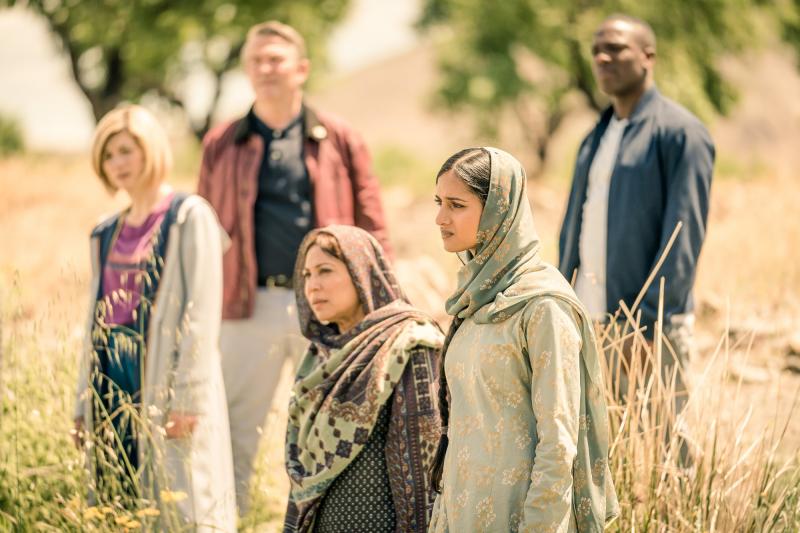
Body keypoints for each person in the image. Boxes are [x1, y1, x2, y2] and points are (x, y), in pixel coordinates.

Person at [197, 20, 393, 511]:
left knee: (332, 427)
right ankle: (232, 520)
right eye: (256, 60)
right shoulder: (220, 143)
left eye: (275, 59)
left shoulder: (340, 138)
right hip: (246, 305)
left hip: (329, 309)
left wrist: (381, 305)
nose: (265, 69)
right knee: (236, 429)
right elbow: (202, 229)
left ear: (300, 69)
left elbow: (373, 223)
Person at [428, 147, 617, 532]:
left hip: (517, 516)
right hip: (461, 513)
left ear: (498, 210)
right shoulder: (475, 298)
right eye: (438, 202)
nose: (440, 218)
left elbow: (558, 442)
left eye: (456, 205)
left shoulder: (542, 307)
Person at [72, 105, 235, 530]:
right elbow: (93, 322)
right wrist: (81, 403)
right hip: (112, 379)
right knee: (118, 498)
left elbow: (201, 314)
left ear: (151, 150)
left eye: (126, 151)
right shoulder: (104, 230)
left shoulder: (188, 216)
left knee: (181, 504)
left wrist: (188, 398)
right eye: (108, 156)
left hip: (167, 376)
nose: (117, 164)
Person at [558, 14, 714, 420]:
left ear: (648, 56)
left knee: (662, 451)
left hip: (648, 332)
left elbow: (682, 241)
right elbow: (574, 230)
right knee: (602, 454)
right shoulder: (597, 136)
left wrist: (645, 328)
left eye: (615, 48)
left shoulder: (682, 133)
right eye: (596, 50)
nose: (602, 58)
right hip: (590, 322)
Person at [284, 225, 442, 532]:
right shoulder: (318, 359)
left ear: (362, 273)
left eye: (325, 271)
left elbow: (421, 481)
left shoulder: (408, 346)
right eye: (306, 275)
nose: (312, 286)